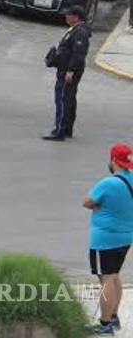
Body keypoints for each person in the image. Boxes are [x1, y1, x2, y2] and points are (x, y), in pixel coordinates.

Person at [82, 142, 133, 335]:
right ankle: (114, 317)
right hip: (126, 237)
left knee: (106, 279)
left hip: (105, 239)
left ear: (113, 160)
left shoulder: (109, 183)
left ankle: (105, 324)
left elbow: (86, 202)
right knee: (113, 276)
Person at [44, 5, 90, 141]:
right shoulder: (75, 30)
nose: (66, 17)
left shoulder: (80, 32)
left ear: (76, 17)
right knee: (68, 99)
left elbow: (79, 53)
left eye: (68, 14)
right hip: (65, 70)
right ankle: (67, 128)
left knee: (63, 100)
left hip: (68, 72)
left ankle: (60, 131)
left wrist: (70, 70)